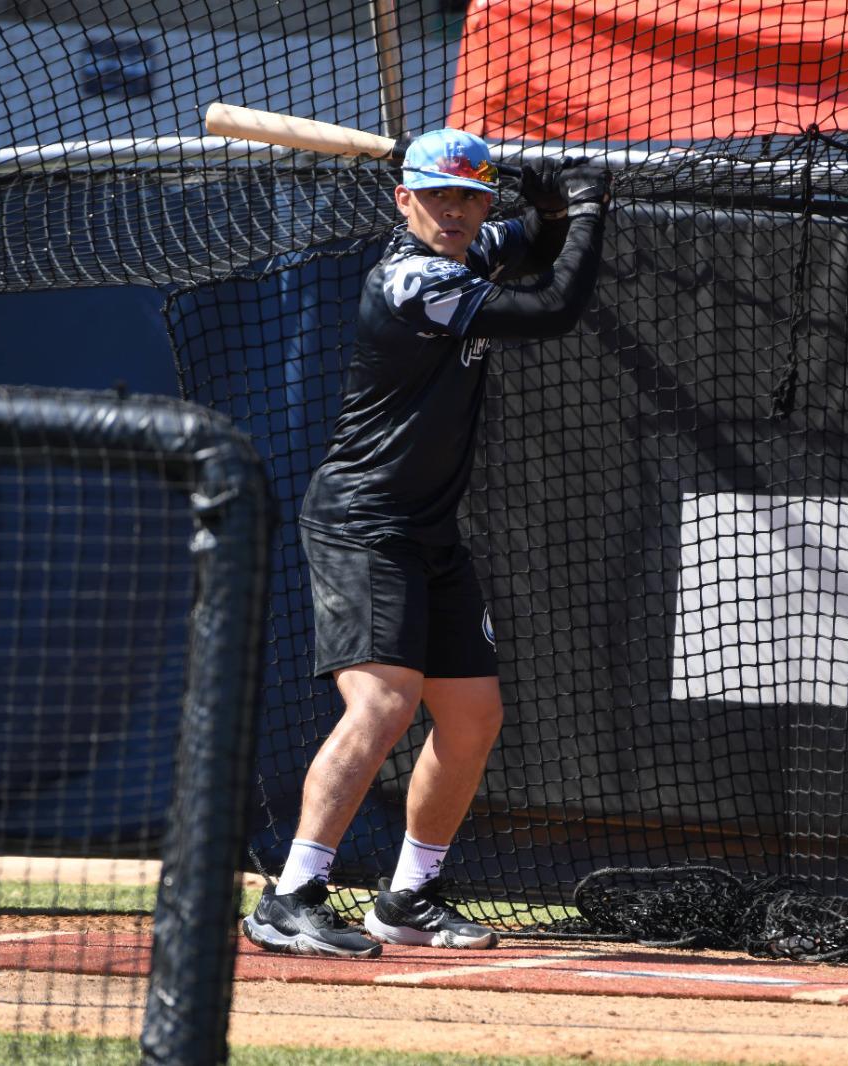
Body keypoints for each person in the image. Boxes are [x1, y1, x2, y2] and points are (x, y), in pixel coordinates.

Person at [242, 128, 611, 958]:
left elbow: (531, 244)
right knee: (384, 703)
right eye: (437, 197)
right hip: (363, 523)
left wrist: (551, 211)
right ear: (403, 199)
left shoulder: (469, 248)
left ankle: (408, 897)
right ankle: (291, 895)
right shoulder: (414, 279)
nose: (454, 212)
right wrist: (587, 207)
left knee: (473, 716)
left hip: (430, 531)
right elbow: (554, 308)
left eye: (469, 198)